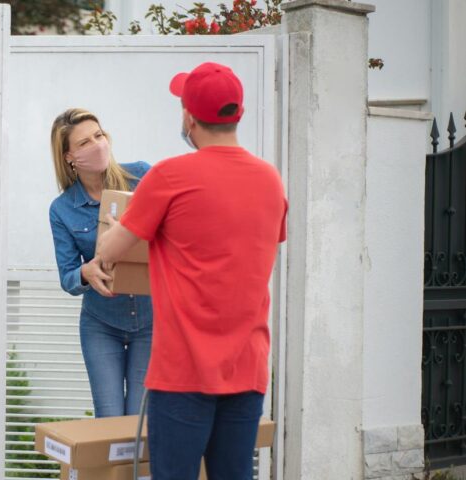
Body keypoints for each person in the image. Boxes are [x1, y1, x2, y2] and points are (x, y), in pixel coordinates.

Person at [95, 63, 288, 479]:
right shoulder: (271, 181)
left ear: (188, 116)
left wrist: (117, 224)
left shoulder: (170, 176)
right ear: (239, 112)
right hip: (247, 368)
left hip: (183, 371)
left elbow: (109, 252)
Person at [48, 108, 153, 418]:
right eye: (84, 143)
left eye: (99, 135)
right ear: (69, 157)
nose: (97, 144)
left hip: (151, 322)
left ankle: (137, 470)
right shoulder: (62, 209)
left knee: (138, 422)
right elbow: (68, 276)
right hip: (101, 324)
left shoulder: (143, 177)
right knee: (108, 419)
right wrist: (86, 271)